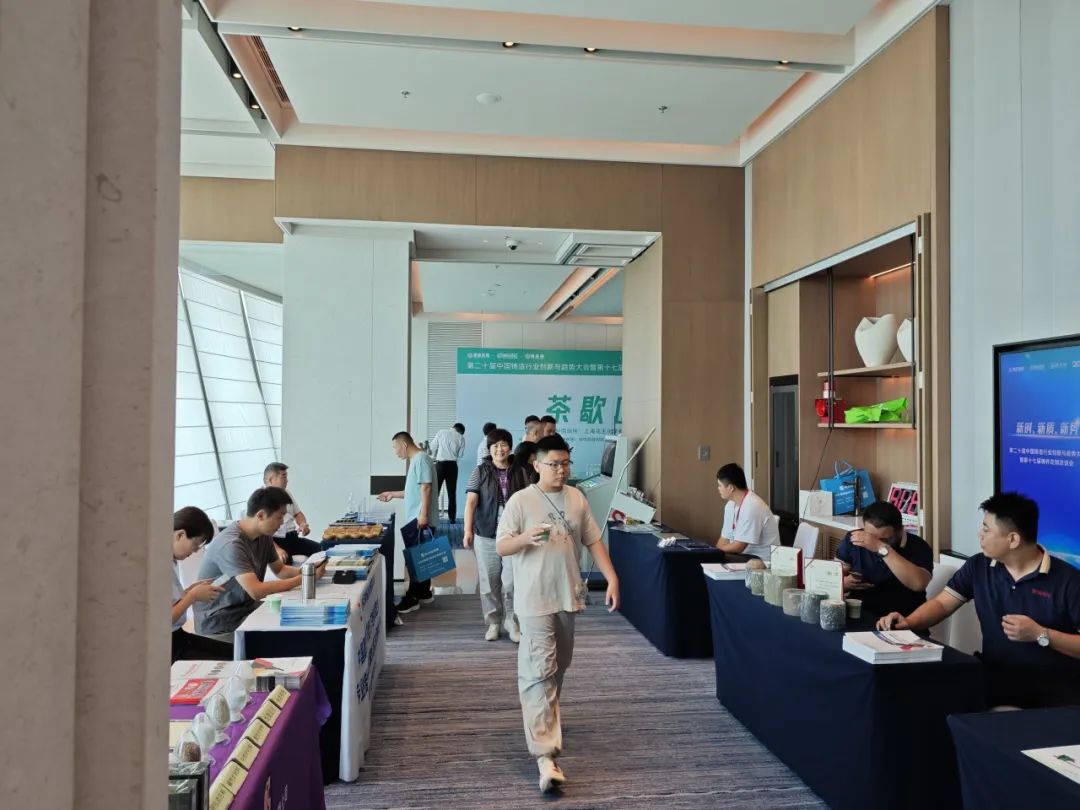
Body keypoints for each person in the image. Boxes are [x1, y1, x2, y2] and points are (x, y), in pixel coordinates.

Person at [496, 435, 620, 793]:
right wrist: (525, 539)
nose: (561, 470)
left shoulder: (576, 497)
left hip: (567, 596)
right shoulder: (521, 501)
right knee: (539, 672)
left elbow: (593, 540)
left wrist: (612, 578)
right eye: (554, 464)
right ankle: (546, 756)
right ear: (536, 464)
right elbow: (502, 545)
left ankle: (545, 720)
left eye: (566, 463)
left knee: (558, 666)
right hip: (533, 600)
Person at [878, 493, 1080, 709]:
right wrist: (909, 622)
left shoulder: (1068, 580)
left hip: (1053, 691)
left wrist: (1041, 634)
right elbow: (942, 604)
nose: (979, 535)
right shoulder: (979, 566)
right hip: (994, 679)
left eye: (986, 529)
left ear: (1013, 539)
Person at [195, 487, 326, 640]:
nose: (282, 522)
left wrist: (309, 571)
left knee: (305, 618)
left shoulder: (264, 536)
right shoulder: (231, 544)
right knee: (292, 635)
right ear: (261, 515)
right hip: (220, 621)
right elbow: (256, 591)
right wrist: (305, 579)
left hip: (246, 608)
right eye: (279, 517)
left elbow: (280, 570)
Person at [464, 428, 519, 642]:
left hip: (514, 534)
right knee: (489, 581)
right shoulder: (480, 471)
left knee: (512, 582)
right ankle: (494, 621)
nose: (499, 449)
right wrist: (468, 530)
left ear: (510, 447)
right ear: (489, 449)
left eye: (503, 444)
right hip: (486, 532)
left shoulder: (521, 470)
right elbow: (471, 502)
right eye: (495, 445)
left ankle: (512, 621)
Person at [836, 500, 932, 616]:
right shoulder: (855, 539)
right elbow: (835, 576)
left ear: (900, 531)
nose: (872, 542)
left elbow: (918, 584)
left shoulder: (918, 546)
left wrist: (881, 548)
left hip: (902, 619)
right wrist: (844, 584)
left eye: (884, 539)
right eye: (870, 536)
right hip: (859, 614)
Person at [378, 431, 439, 614]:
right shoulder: (418, 460)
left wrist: (423, 515)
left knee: (415, 559)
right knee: (422, 556)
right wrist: (392, 494)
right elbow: (415, 491)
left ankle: (412, 598)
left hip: (420, 518)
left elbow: (426, 488)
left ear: (404, 445)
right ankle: (424, 594)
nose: (395, 452)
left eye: (395, 447)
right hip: (418, 516)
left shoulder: (421, 459)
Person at [170, 506, 233, 662]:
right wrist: (192, 596)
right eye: (195, 545)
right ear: (180, 535)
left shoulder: (170, 561)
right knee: (231, 657)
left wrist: (189, 591)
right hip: (170, 646)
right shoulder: (156, 565)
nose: (195, 551)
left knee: (235, 653)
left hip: (179, 637)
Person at [714, 462, 780, 562]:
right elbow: (724, 539)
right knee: (710, 559)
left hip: (761, 560)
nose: (718, 489)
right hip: (744, 556)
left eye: (720, 485)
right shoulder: (730, 506)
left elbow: (739, 547)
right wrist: (715, 553)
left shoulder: (752, 506)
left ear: (731, 488)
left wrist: (716, 552)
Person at [263, 462, 320, 564]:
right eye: (283, 476)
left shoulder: (286, 492)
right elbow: (261, 532)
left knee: (321, 550)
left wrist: (303, 524)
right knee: (286, 560)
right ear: (271, 479)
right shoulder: (261, 498)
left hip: (293, 538)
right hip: (275, 542)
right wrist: (276, 549)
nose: (287, 480)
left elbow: (298, 514)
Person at [431, 422, 466, 523]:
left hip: (440, 465)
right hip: (452, 466)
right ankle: (452, 518)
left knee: (435, 492)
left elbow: (433, 447)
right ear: (460, 431)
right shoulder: (461, 438)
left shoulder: (441, 432)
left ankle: (432, 516)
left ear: (453, 427)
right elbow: (460, 454)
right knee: (452, 493)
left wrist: (434, 456)